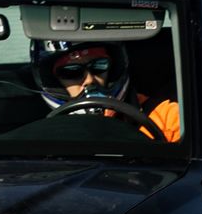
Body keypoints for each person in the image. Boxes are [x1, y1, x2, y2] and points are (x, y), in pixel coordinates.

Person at [32, 41, 181, 143]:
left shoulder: (164, 117)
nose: (90, 80)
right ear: (54, 81)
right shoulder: (40, 134)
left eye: (99, 65)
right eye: (71, 72)